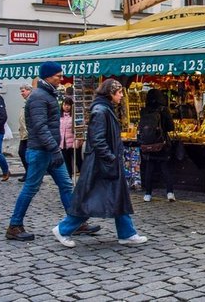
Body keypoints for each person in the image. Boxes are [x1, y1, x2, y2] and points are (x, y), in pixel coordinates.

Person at [6, 62, 99, 241]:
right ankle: (15, 225)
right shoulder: (39, 97)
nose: (61, 78)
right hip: (41, 151)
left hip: (49, 150)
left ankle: (75, 222)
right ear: (48, 76)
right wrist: (54, 150)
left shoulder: (46, 94)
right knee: (31, 188)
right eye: (58, 75)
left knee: (65, 185)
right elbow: (40, 128)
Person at [52, 79, 148, 247]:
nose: (120, 96)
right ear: (110, 93)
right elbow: (98, 139)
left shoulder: (104, 109)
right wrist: (110, 157)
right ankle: (63, 229)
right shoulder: (100, 111)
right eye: (118, 93)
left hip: (106, 163)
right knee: (90, 200)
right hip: (101, 165)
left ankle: (127, 233)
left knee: (119, 197)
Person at [139, 88, 176, 203]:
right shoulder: (164, 110)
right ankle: (170, 193)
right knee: (165, 168)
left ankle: (148, 194)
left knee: (149, 169)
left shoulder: (144, 110)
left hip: (148, 144)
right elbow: (171, 127)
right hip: (162, 144)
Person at [59, 97, 82, 177]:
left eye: (68, 105)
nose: (66, 106)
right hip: (63, 144)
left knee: (78, 161)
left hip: (73, 143)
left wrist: (77, 141)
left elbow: (78, 130)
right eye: (65, 104)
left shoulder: (74, 117)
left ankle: (83, 178)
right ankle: (68, 178)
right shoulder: (60, 117)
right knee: (66, 162)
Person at [17, 84, 32, 182]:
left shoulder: (31, 102)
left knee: (23, 153)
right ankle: (29, 173)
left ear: (29, 90)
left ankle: (30, 174)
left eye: (23, 91)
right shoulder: (27, 102)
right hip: (24, 133)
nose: (21, 93)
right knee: (23, 153)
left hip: (29, 134)